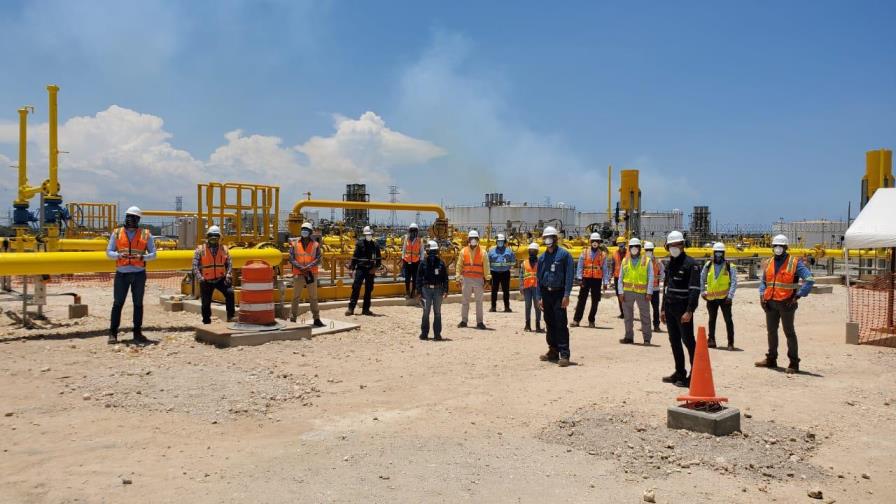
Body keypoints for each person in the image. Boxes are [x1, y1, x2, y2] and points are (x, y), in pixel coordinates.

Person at [755, 234, 815, 373]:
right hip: (770, 302)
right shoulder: (769, 262)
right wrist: (761, 296)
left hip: (787, 303)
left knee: (789, 332)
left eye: (780, 246)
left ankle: (794, 363)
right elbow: (764, 282)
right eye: (775, 246)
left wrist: (799, 295)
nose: (778, 248)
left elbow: (809, 279)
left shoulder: (794, 263)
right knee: (771, 331)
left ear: (785, 247)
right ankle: (771, 359)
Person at [105, 206, 156, 344]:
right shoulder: (116, 233)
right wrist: (118, 254)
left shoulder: (146, 234)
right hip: (122, 274)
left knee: (138, 304)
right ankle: (113, 333)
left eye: (133, 217)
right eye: (128, 216)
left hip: (138, 274)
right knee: (118, 303)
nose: (130, 219)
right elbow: (108, 252)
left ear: (138, 219)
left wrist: (142, 257)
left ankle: (137, 333)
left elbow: (153, 255)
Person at [660, 230, 701, 387]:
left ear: (683, 245)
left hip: (683, 309)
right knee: (674, 341)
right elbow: (666, 288)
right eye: (671, 245)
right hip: (670, 308)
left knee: (689, 341)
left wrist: (690, 310)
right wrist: (663, 309)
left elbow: (694, 290)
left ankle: (695, 374)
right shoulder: (670, 264)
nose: (674, 247)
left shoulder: (691, 265)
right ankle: (679, 372)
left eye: (677, 244)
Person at [535, 226, 575, 367]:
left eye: (550, 237)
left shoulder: (564, 255)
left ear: (556, 239)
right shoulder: (542, 258)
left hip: (559, 293)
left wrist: (567, 294)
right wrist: (539, 296)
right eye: (546, 237)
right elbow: (538, 278)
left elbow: (569, 276)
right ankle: (553, 350)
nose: (548, 240)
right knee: (549, 322)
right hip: (546, 293)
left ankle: (564, 354)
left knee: (561, 323)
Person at [192, 225, 235, 325]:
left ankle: (231, 316)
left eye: (216, 236)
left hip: (220, 279)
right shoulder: (200, 250)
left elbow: (229, 263)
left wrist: (228, 274)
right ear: (207, 237)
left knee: (230, 293)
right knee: (206, 303)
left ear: (219, 237)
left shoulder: (224, 249)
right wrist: (200, 278)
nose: (214, 238)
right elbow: (195, 265)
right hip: (206, 280)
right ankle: (206, 322)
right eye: (211, 235)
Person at [617, 238, 655, 344]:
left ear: (639, 248)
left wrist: (649, 292)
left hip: (642, 293)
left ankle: (647, 339)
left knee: (645, 316)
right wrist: (620, 292)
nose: (634, 249)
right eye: (632, 247)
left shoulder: (646, 260)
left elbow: (651, 277)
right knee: (628, 316)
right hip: (627, 292)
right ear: (629, 248)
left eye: (636, 246)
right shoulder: (625, 260)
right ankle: (629, 337)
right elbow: (620, 278)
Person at [701, 242, 737, 350]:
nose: (718, 254)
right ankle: (711, 340)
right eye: (716, 252)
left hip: (725, 299)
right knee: (712, 319)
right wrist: (702, 291)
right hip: (711, 298)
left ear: (723, 253)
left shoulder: (729, 266)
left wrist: (730, 296)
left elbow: (734, 282)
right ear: (713, 252)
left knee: (728, 320)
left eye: (720, 252)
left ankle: (730, 342)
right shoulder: (708, 265)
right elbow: (702, 278)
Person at [290, 222, 324, 327]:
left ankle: (316, 318)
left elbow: (318, 258)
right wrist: (301, 267)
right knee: (296, 297)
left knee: (313, 297)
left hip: (311, 273)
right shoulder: (295, 243)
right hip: (298, 274)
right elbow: (291, 258)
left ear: (310, 232)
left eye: (306, 230)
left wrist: (308, 267)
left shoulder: (315, 244)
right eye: (303, 229)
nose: (304, 231)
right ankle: (292, 318)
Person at [572, 232, 609, 327]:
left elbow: (605, 269)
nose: (595, 243)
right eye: (593, 241)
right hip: (586, 279)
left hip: (597, 280)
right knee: (581, 300)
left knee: (595, 300)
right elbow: (580, 266)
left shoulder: (603, 255)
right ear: (590, 241)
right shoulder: (584, 252)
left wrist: (605, 282)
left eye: (597, 241)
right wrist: (579, 278)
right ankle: (576, 320)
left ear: (599, 242)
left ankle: (591, 320)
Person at [456, 230, 490, 329]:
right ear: (469, 240)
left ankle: (479, 322)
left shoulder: (483, 252)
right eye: (471, 238)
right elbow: (459, 265)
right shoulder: (463, 251)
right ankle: (464, 321)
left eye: (475, 238)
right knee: (465, 301)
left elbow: (486, 266)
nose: (473, 240)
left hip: (478, 279)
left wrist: (487, 279)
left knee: (479, 301)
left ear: (478, 240)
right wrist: (458, 278)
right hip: (466, 279)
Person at [416, 240, 449, 340]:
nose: (432, 254)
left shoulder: (441, 264)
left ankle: (437, 334)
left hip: (438, 290)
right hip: (426, 290)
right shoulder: (423, 264)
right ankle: (424, 333)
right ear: (427, 252)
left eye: (434, 251)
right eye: (431, 252)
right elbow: (418, 278)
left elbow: (445, 278)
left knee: (437, 312)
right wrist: (419, 292)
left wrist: (446, 290)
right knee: (426, 312)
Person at [346, 226, 382, 316]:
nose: (368, 236)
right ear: (364, 235)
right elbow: (355, 257)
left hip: (370, 270)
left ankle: (366, 309)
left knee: (369, 290)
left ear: (372, 235)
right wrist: (352, 269)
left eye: (370, 234)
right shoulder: (360, 244)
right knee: (356, 288)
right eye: (367, 234)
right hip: (361, 269)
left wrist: (374, 268)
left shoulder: (375, 245)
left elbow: (379, 260)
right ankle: (351, 308)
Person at [488, 233, 516, 312]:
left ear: (504, 242)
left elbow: (513, 261)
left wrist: (508, 266)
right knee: (494, 290)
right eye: (498, 241)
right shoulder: (491, 251)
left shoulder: (509, 251)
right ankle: (493, 307)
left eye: (501, 241)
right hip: (494, 273)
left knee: (506, 290)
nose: (500, 242)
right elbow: (487, 263)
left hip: (505, 273)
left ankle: (507, 307)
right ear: (496, 242)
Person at [519, 242, 543, 333]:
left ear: (537, 252)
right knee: (527, 306)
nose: (532, 252)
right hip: (527, 287)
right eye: (531, 251)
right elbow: (521, 275)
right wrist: (521, 286)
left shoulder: (540, 263)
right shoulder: (524, 263)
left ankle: (538, 325)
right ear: (529, 252)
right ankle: (527, 325)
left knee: (538, 307)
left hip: (537, 288)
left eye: (534, 251)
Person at [644, 241, 665, 332]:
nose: (648, 251)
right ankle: (645, 325)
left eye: (650, 250)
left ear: (653, 250)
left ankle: (656, 325)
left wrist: (656, 277)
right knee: (644, 309)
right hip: (644, 289)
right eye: (647, 250)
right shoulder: (642, 261)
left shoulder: (658, 262)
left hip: (655, 289)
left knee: (655, 309)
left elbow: (663, 274)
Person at [401, 223, 423, 299]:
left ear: (417, 231)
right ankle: (407, 292)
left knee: (415, 278)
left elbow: (422, 251)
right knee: (407, 278)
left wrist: (421, 262)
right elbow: (404, 249)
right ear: (409, 231)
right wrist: (403, 259)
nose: (413, 232)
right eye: (412, 230)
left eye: (414, 230)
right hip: (407, 262)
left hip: (416, 263)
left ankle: (413, 291)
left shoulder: (419, 240)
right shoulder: (406, 238)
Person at [611, 238, 627, 319]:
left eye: (622, 243)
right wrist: (611, 275)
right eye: (619, 244)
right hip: (617, 277)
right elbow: (613, 265)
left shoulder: (629, 253)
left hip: (627, 277)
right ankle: (623, 313)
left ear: (625, 244)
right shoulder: (614, 253)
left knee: (628, 295)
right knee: (619, 295)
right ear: (617, 244)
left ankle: (627, 312)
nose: (621, 245)